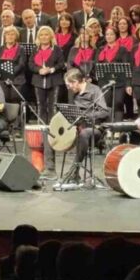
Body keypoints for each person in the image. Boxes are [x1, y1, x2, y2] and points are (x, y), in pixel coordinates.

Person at [29, 26, 65, 176]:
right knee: (40, 110)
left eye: (46, 34)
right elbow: (30, 64)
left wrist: (50, 70)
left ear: (50, 36)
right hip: (38, 82)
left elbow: (61, 64)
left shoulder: (57, 50)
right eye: (41, 34)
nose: (44, 37)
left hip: (53, 82)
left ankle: (52, 130)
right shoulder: (35, 50)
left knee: (52, 111)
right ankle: (42, 131)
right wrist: (39, 70)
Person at [62, 68, 110, 181]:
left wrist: (87, 115)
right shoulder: (74, 93)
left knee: (83, 134)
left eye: (69, 85)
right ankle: (50, 169)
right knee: (53, 133)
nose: (68, 88)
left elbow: (104, 112)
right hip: (80, 127)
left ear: (76, 82)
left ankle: (74, 170)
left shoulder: (95, 90)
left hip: (96, 129)